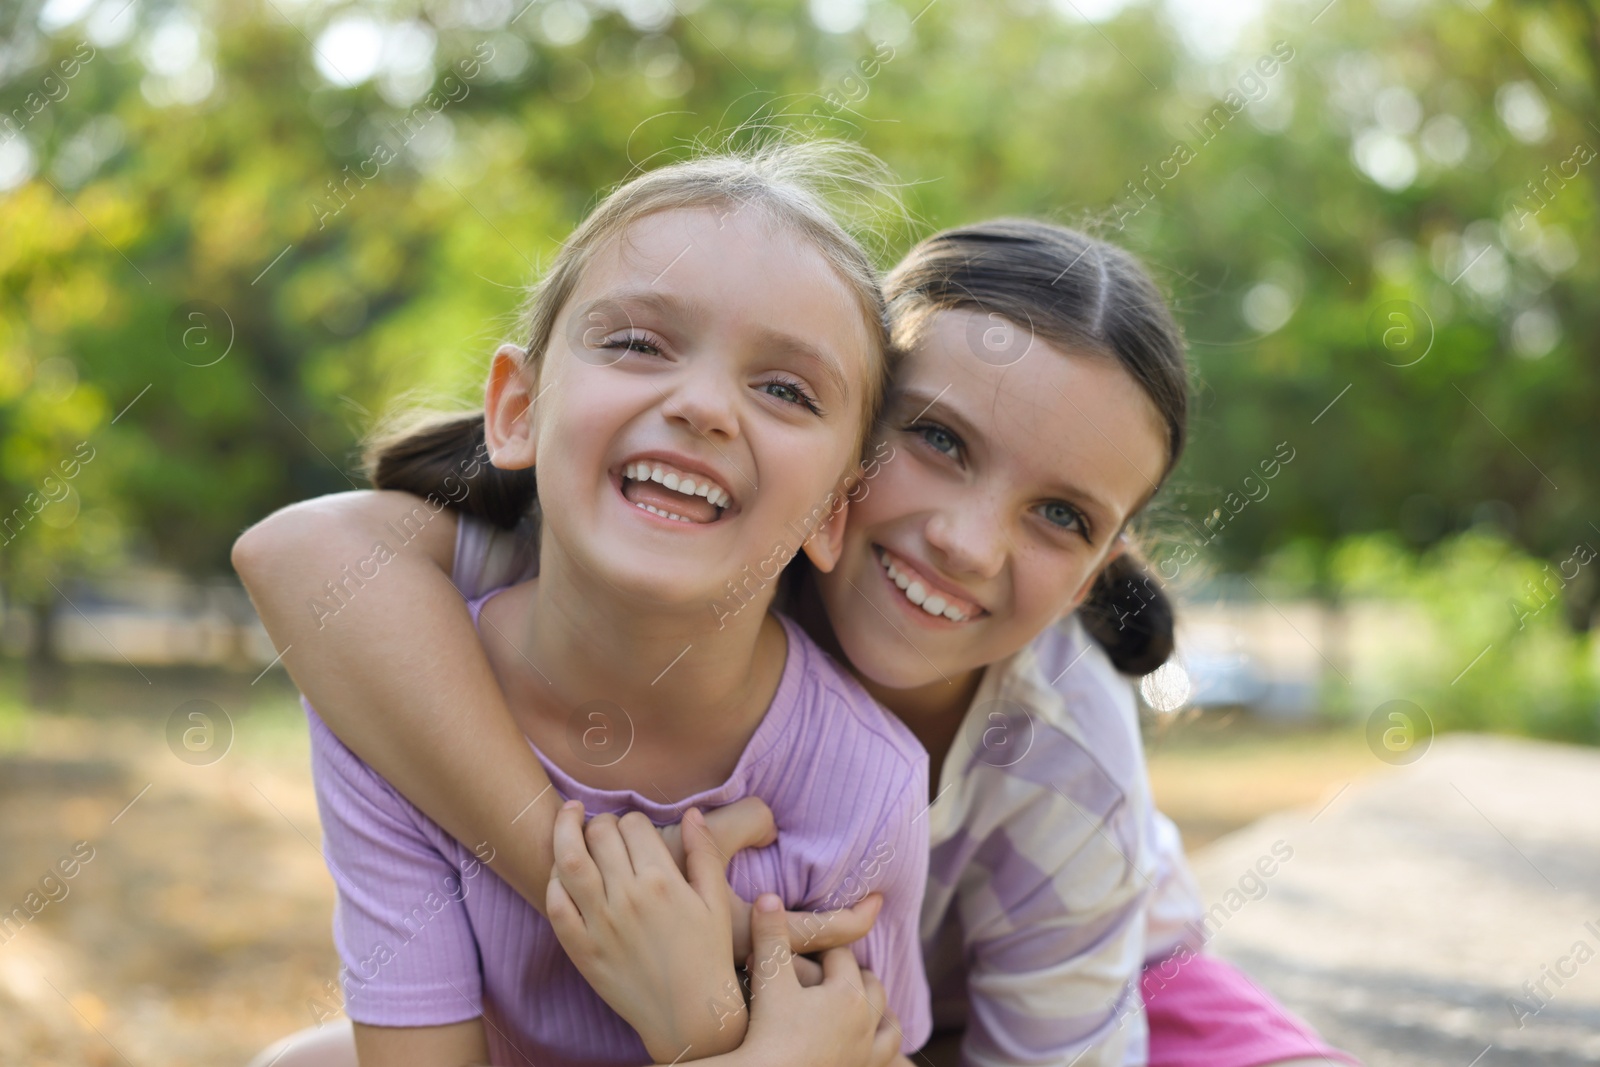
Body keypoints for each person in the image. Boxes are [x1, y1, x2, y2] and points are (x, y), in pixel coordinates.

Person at [239, 218, 1356, 1067]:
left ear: (1106, 559)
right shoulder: (670, 554)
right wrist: (625, 911)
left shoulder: (1068, 764)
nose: (967, 542)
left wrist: (704, 990)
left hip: (1101, 1001)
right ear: (843, 430)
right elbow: (306, 559)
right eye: (936, 439)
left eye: (1062, 516)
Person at [239, 140, 936, 1067]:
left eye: (784, 389)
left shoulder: (866, 785)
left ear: (835, 509)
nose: (704, 405)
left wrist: (699, 1033)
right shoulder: (404, 695)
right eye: (639, 343)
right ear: (517, 411)